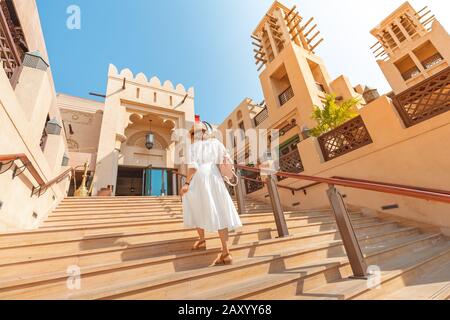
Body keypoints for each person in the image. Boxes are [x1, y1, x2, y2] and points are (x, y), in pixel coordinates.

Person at [180, 121, 242, 265]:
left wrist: (187, 184)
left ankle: (201, 240)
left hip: (199, 178)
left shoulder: (193, 147)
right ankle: (226, 252)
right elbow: (226, 159)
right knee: (220, 210)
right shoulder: (216, 143)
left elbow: (193, 168)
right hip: (215, 177)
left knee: (196, 208)